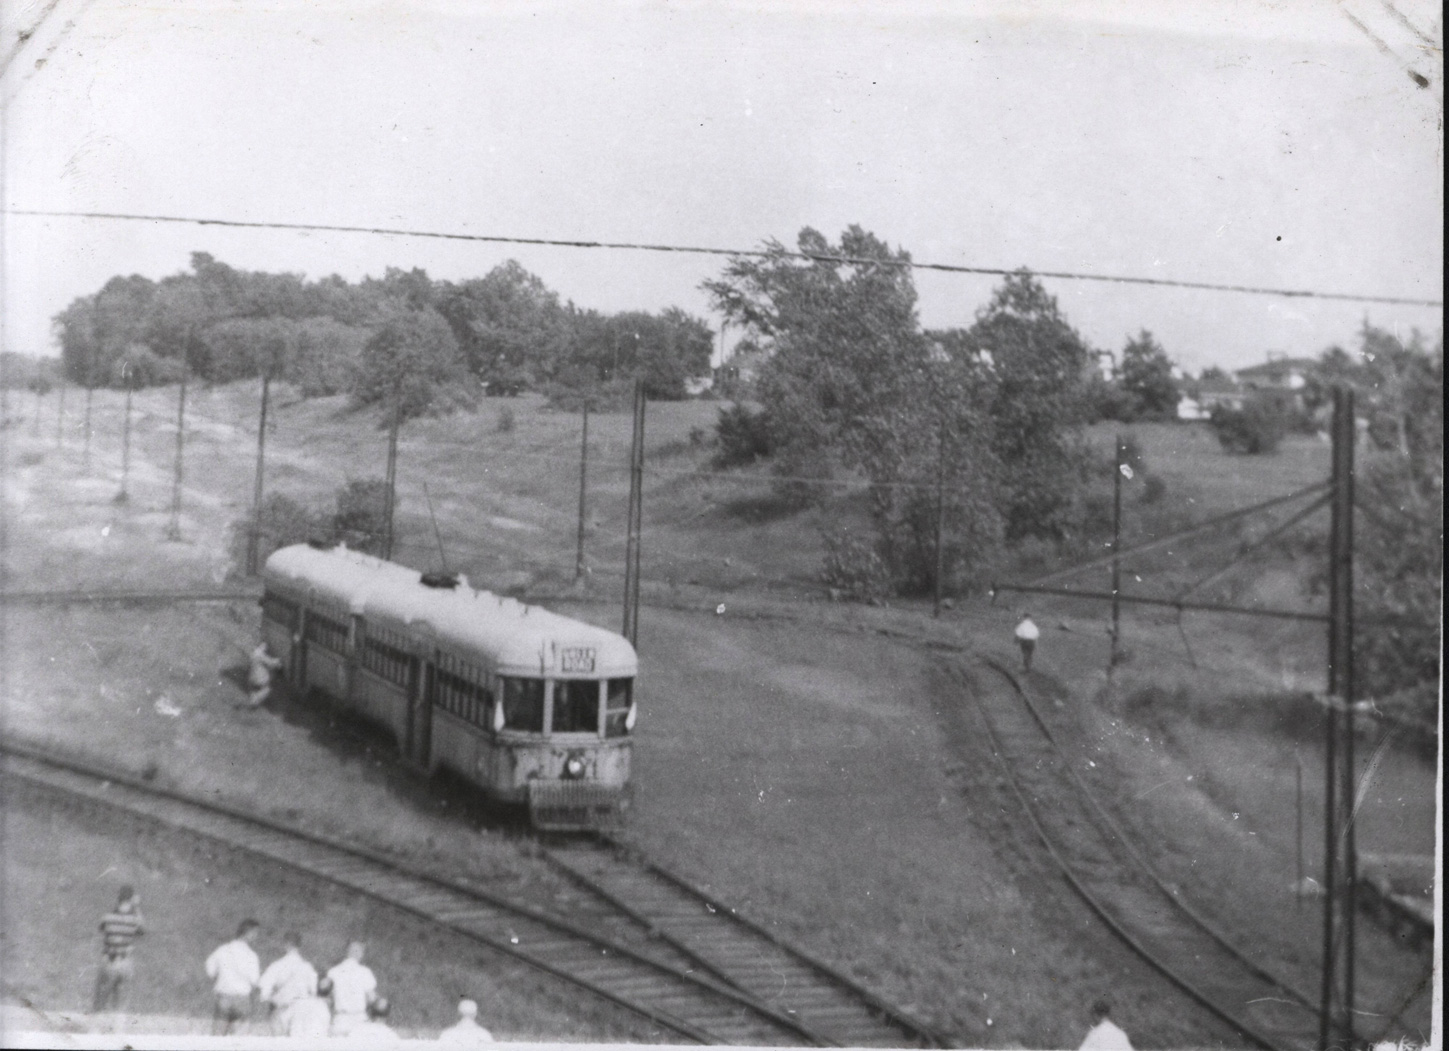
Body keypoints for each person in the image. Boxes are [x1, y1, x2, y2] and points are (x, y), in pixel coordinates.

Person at [93, 885, 145, 1013]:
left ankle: (96, 1030)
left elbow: (102, 927)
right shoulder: (134, 920)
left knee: (100, 1001)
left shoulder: (108, 917)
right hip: (125, 962)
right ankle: (118, 1030)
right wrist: (137, 907)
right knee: (121, 1003)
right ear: (131, 899)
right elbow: (142, 930)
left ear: (119, 898)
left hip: (109, 961)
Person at [205, 919, 261, 1035]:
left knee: (217, 1037)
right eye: (255, 934)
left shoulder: (222, 950)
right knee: (239, 1040)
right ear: (248, 933)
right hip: (242, 999)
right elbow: (255, 981)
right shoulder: (251, 955)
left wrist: (219, 980)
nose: (256, 937)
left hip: (224, 997)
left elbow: (210, 969)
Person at [258, 930, 317, 1035]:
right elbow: (313, 992)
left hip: (281, 1010)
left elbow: (264, 991)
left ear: (285, 944)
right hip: (302, 1012)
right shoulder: (308, 967)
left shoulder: (277, 965)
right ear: (299, 945)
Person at [327, 940, 379, 1036]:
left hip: (340, 1020)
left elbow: (329, 999)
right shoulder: (365, 972)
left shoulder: (333, 972)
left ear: (347, 952)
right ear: (360, 953)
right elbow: (372, 999)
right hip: (359, 1020)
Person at [248, 642, 284, 707]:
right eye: (264, 647)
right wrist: (278, 660)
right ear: (261, 647)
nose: (265, 648)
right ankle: (255, 700)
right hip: (259, 677)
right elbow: (270, 662)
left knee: (255, 689)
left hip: (252, 676)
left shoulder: (254, 653)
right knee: (267, 690)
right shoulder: (260, 655)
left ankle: (253, 699)